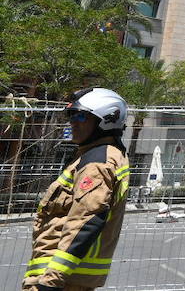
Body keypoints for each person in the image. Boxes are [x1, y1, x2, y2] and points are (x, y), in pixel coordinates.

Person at [25, 88, 132, 291]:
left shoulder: (97, 163)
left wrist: (51, 281)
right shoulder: (95, 154)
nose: (73, 122)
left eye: (81, 116)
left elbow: (84, 222)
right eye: (72, 115)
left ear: (106, 121)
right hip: (67, 278)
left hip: (60, 281)